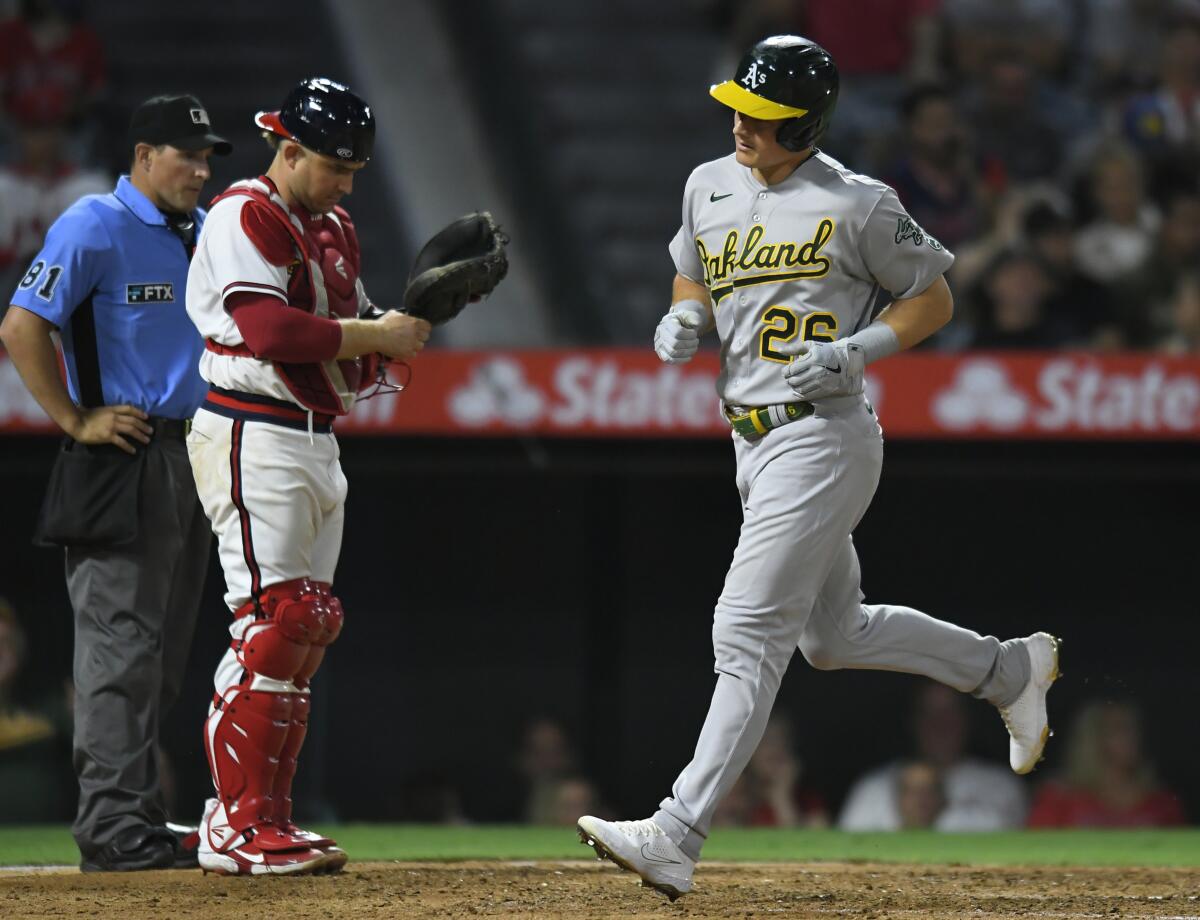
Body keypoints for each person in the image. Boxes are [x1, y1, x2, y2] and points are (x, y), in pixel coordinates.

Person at [576, 36, 1059, 902]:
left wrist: (862, 348)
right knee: (834, 638)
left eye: (759, 115)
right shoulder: (707, 182)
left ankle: (677, 830)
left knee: (746, 630)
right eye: (737, 107)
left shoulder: (857, 201)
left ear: (804, 121)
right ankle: (1006, 670)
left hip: (823, 434)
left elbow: (935, 294)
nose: (739, 123)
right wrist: (684, 318)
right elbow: (691, 272)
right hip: (749, 440)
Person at [183, 77, 431, 876]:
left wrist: (407, 326)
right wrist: (372, 329)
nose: (346, 182)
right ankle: (233, 823)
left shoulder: (335, 224)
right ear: (288, 149)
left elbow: (346, 334)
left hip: (315, 436)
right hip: (252, 429)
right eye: (334, 166)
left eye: (354, 168)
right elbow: (268, 327)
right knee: (272, 621)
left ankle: (269, 819)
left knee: (308, 624)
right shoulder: (242, 212)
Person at [0, 93, 230, 871]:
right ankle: (111, 829)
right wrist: (75, 418)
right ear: (141, 156)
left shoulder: (197, 233)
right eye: (185, 155)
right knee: (119, 652)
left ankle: (136, 815)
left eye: (206, 157)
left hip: (191, 457)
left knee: (160, 658)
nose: (201, 169)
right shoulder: (94, 222)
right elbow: (20, 324)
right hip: (122, 456)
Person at [838, 682, 1026, 831]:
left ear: (966, 720)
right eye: (929, 713)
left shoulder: (1001, 786)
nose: (940, 725)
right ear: (913, 721)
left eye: (949, 713)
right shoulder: (871, 789)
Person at [1027, 700, 1186, 828]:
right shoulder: (1059, 798)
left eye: (1133, 728)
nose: (1132, 738)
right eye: (1119, 729)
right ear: (1093, 739)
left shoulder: (1160, 801)